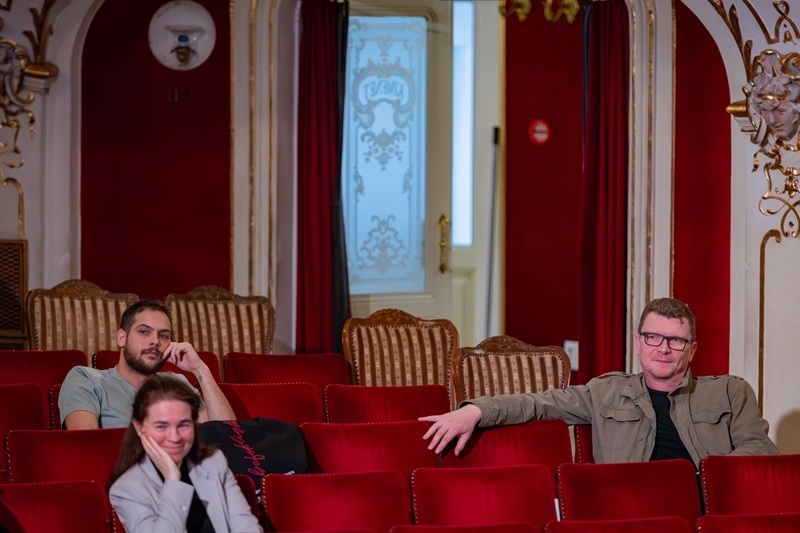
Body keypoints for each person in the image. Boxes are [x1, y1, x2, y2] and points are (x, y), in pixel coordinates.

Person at [421, 297, 779, 468]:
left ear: (692, 349)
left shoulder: (730, 392)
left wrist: (705, 475)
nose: (663, 349)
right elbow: (538, 403)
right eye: (653, 337)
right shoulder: (605, 392)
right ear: (638, 343)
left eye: (676, 340)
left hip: (701, 513)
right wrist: (475, 411)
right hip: (629, 515)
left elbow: (761, 449)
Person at [109, 374, 262, 532]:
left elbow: (245, 524)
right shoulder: (127, 488)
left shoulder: (213, 461)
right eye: (161, 426)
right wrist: (173, 481)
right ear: (139, 427)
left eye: (184, 425)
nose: (175, 437)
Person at [59, 300, 235, 429]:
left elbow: (229, 434)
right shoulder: (86, 379)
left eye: (164, 335)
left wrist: (200, 369)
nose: (155, 341)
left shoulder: (178, 383)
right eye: (144, 332)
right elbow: (87, 447)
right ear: (122, 338)